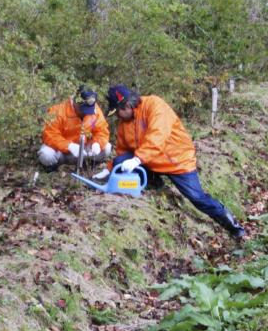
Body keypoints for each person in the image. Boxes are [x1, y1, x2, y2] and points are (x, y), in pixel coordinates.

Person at [101, 84, 245, 239]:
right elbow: (123, 151)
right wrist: (109, 169)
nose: (118, 117)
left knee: (197, 198)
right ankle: (155, 185)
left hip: (177, 161)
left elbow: (157, 137)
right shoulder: (124, 124)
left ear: (127, 105)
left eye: (119, 112)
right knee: (120, 162)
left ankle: (234, 228)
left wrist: (137, 159)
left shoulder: (154, 105)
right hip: (150, 161)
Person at [37, 85, 112, 171]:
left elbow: (102, 131)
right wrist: (69, 146)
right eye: (83, 109)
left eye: (89, 109)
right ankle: (54, 168)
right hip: (61, 152)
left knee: (106, 147)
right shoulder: (58, 111)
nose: (86, 113)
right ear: (75, 102)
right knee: (46, 155)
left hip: (84, 151)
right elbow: (50, 135)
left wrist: (97, 143)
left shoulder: (95, 110)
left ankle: (86, 165)